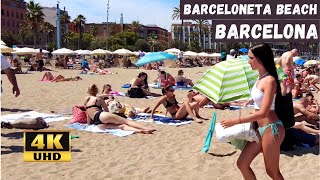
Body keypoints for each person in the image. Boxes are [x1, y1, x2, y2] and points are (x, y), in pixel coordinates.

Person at [220, 44, 285, 180]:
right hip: (258, 129)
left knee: (272, 172)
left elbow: (263, 113)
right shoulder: (259, 78)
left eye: (251, 58)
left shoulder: (270, 80)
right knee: (242, 163)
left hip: (271, 129)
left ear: (260, 59)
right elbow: (260, 100)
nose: (248, 61)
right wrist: (249, 101)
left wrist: (235, 121)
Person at [84, 84, 156, 133]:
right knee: (126, 121)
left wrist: (89, 124)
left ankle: (139, 131)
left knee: (122, 126)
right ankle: (146, 129)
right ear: (96, 91)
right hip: (101, 116)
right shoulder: (98, 99)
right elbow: (107, 111)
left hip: (98, 124)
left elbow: (88, 115)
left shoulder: (86, 101)